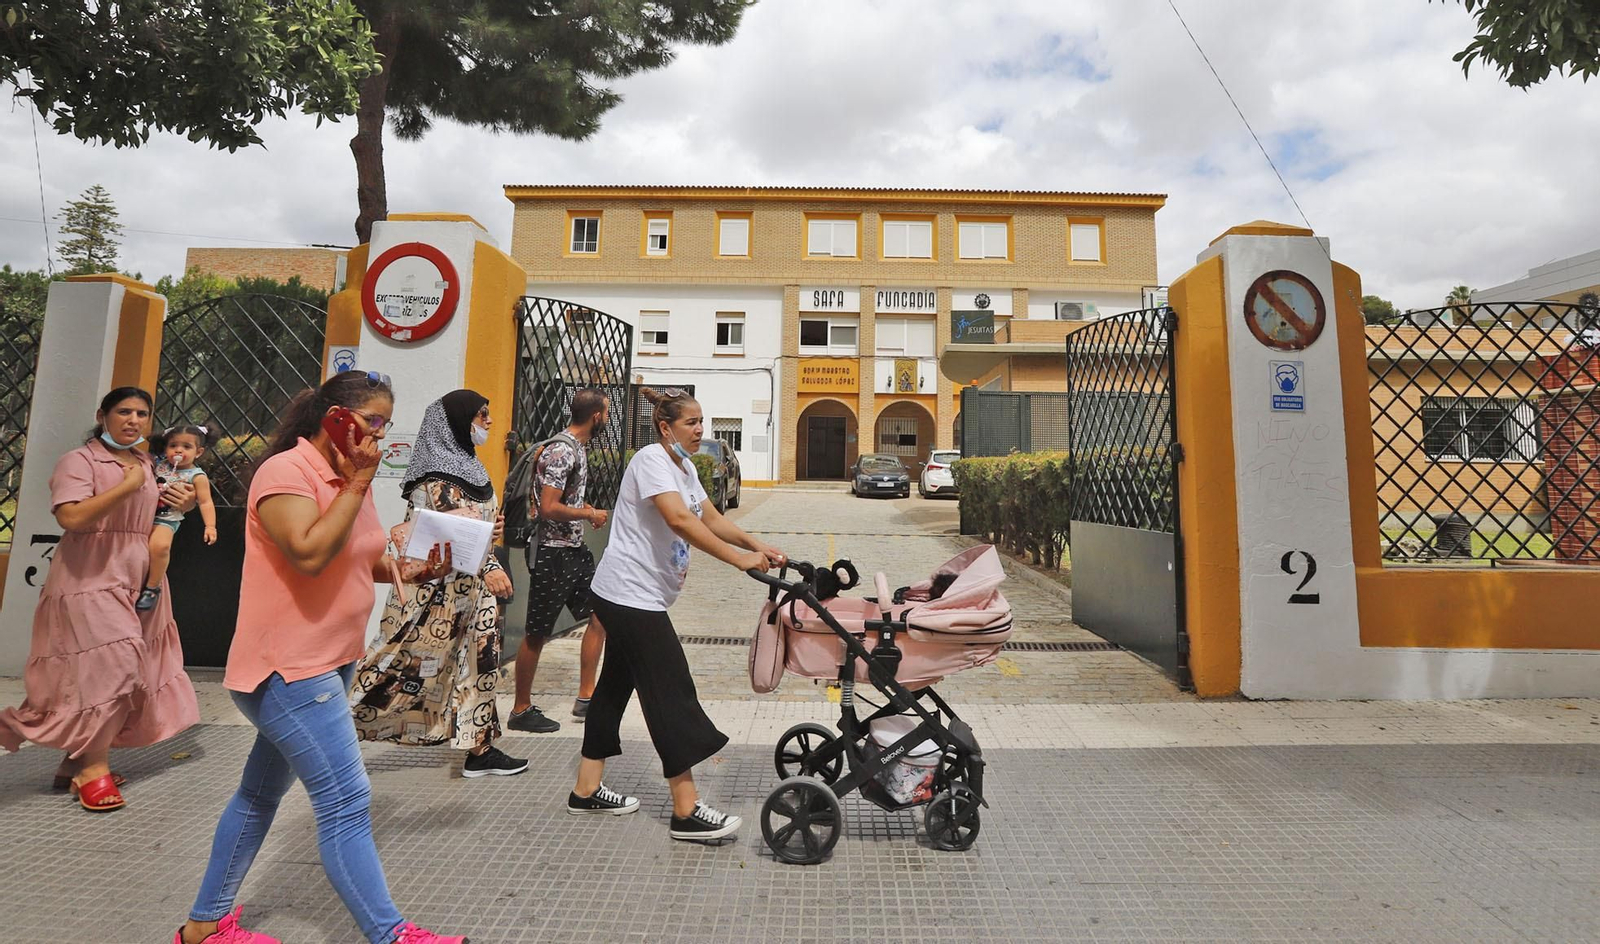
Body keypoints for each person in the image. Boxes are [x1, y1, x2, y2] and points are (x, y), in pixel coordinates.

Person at [176, 370, 466, 944]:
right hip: (288, 667)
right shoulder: (286, 473)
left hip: (330, 660)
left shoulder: (346, 476)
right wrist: (359, 482)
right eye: (372, 422)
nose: (380, 437)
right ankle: (390, 935)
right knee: (346, 799)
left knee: (258, 796)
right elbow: (308, 553)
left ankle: (203, 928)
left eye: (386, 424)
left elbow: (352, 555)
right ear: (335, 417)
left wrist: (408, 567)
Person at [567, 387, 785, 844]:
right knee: (670, 691)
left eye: (702, 421)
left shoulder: (683, 467)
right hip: (629, 596)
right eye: (691, 422)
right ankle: (685, 810)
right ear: (666, 427)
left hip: (639, 596)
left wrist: (755, 545)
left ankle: (585, 788)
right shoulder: (650, 461)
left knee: (612, 689)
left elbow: (708, 516)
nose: (700, 429)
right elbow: (679, 521)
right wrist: (736, 560)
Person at [0, 387, 201, 812]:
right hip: (88, 572)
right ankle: (94, 768)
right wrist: (126, 487)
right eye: (124, 412)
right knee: (114, 665)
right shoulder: (80, 460)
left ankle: (76, 760)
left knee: (111, 670)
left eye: (142, 414)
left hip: (139, 573)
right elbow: (70, 516)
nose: (133, 420)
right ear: (102, 415)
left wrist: (180, 504)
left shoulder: (150, 463)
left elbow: (155, 514)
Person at [350, 389, 526, 779]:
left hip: (472, 595)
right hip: (434, 596)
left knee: (480, 664)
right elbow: (450, 537)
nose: (489, 422)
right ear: (456, 422)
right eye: (482, 414)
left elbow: (477, 527)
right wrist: (490, 565)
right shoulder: (435, 479)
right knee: (396, 663)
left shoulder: (471, 468)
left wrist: (492, 531)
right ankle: (335, 728)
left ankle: (480, 748)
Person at [508, 387, 611, 734]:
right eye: (607, 413)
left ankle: (587, 696)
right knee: (537, 633)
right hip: (552, 552)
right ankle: (521, 708)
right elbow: (549, 507)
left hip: (574, 551)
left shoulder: (576, 450)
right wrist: (589, 512)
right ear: (596, 416)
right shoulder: (560, 452)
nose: (607, 419)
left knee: (600, 617)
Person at [138, 423, 218, 611]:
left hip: (167, 519)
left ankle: (152, 587)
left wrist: (210, 526)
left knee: (161, 546)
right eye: (173, 445)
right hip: (144, 516)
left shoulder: (197, 476)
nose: (178, 450)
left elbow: (206, 502)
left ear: (198, 452)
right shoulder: (158, 465)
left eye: (186, 447)